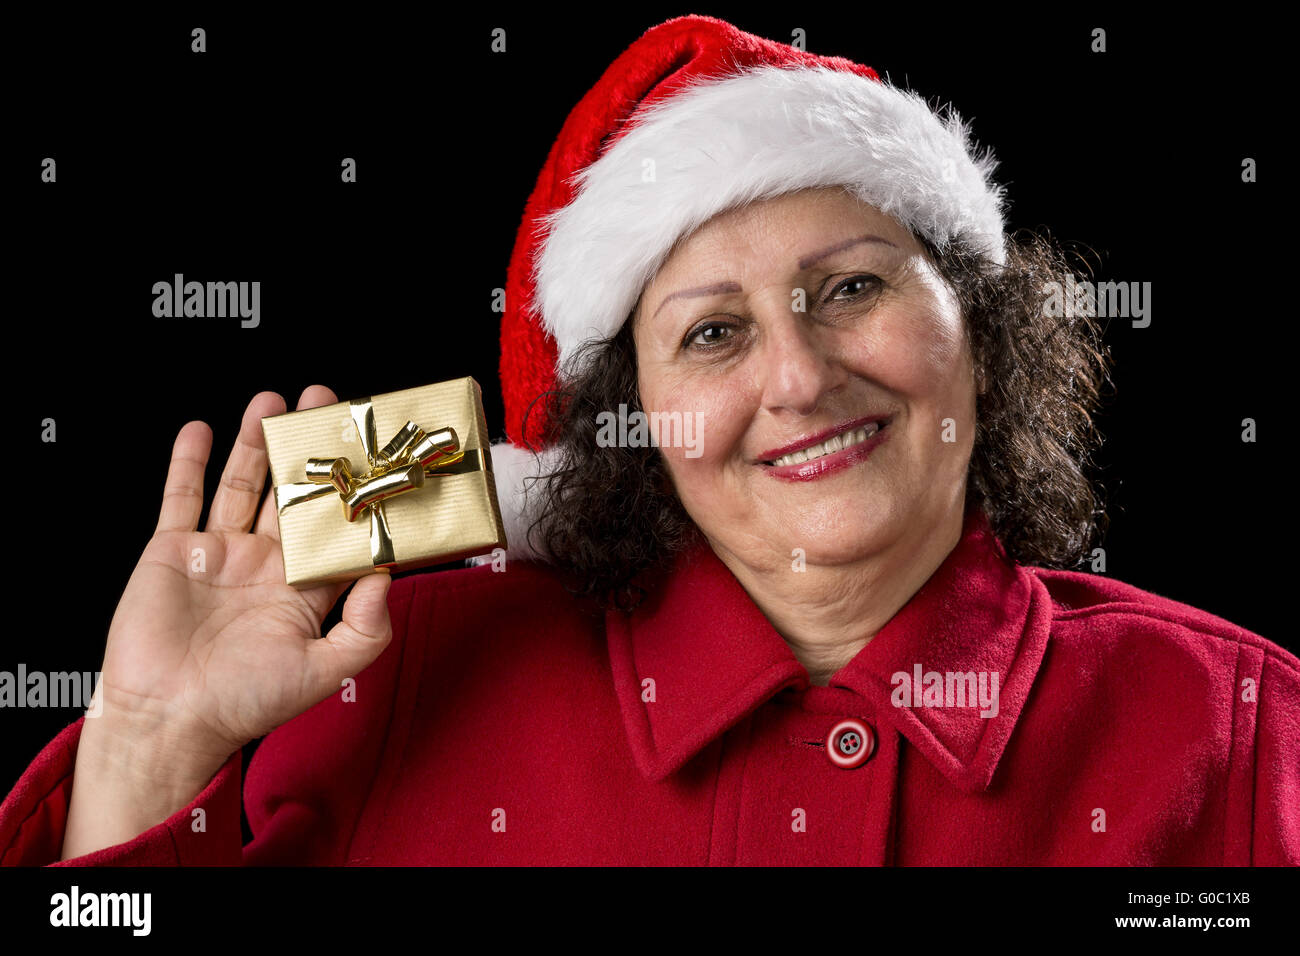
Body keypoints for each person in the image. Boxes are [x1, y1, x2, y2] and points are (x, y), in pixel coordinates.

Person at [2, 14, 1296, 866]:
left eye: (855, 288)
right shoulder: (386, 682)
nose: (799, 377)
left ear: (983, 326)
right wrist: (147, 742)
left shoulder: (1243, 723)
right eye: (714, 335)